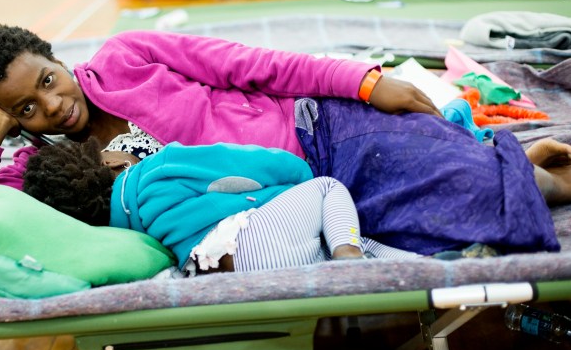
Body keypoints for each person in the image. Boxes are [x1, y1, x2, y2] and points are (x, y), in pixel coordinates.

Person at [0, 25, 571, 256]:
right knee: (441, 227)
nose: (53, 105)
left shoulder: (129, 55)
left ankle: (516, 166)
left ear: (58, 59)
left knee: (483, 192)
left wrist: (364, 79)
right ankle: (506, 165)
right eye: (27, 109)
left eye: (48, 80)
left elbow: (253, 63)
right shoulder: (51, 172)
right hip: (299, 201)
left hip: (320, 131)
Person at [22, 138, 420, 274]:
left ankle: (420, 269)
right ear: (109, 162)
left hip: (230, 271)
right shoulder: (155, 169)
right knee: (327, 191)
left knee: (334, 242)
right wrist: (298, 174)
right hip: (250, 238)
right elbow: (237, 166)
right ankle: (350, 259)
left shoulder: (120, 232)